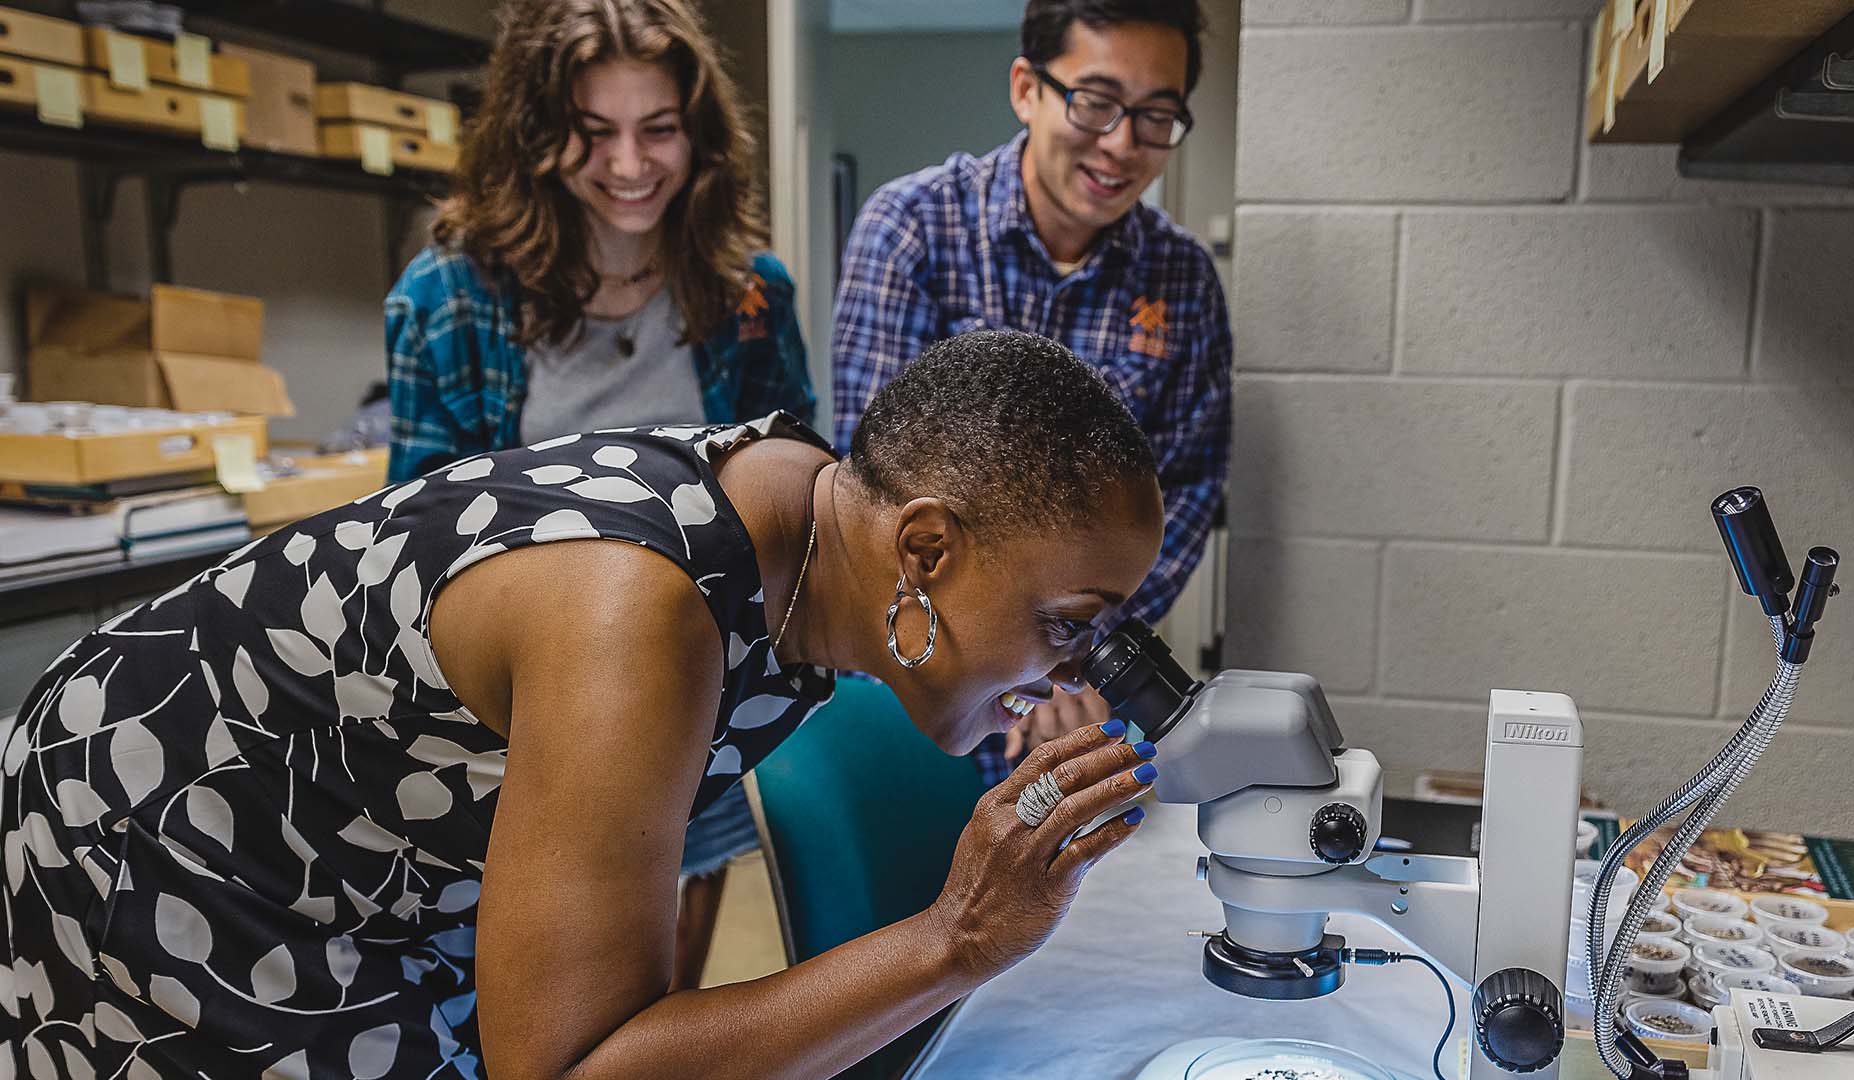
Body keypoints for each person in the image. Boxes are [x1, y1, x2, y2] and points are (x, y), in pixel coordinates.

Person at [1, 330, 1165, 1077]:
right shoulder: (641, 612)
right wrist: (955, 940)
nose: (1074, 672)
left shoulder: (812, 528)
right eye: (1070, 621)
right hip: (158, 828)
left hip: (361, 857)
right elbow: (570, 1073)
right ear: (925, 549)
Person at [383, 0, 815, 991]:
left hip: (702, 695)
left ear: (698, 137)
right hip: (512, 720)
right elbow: (412, 550)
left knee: (659, 999)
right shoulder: (450, 301)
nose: (630, 165)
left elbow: (792, 502)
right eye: (594, 133)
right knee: (528, 994)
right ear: (536, 141)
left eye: (658, 129)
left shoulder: (748, 296)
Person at [832, 0, 1230, 781]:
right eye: (1096, 102)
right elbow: (874, 489)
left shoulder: (1181, 278)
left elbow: (1188, 484)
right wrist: (1031, 649)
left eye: (1156, 116)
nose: (1122, 144)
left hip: (1073, 704)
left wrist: (1072, 646)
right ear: (1027, 89)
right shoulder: (913, 229)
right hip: (916, 681)